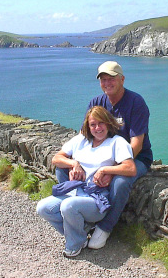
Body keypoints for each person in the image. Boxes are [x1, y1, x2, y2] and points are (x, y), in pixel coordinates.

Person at [56, 61, 153, 250]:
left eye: (111, 79)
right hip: (103, 158)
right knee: (63, 168)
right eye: (103, 80)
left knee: (121, 181)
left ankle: (105, 226)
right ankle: (79, 216)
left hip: (136, 157)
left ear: (122, 79)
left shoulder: (136, 102)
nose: (107, 83)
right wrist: (76, 162)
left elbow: (137, 143)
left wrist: (112, 169)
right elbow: (85, 134)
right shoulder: (96, 102)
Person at [37, 106, 136, 257]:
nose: (97, 128)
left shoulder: (117, 142)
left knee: (68, 206)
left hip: (97, 200)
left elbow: (130, 168)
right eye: (93, 124)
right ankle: (79, 235)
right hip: (76, 192)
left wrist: (105, 170)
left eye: (101, 123)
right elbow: (56, 158)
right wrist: (74, 164)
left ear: (108, 124)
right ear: (88, 126)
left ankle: (73, 245)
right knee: (43, 208)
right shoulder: (80, 140)